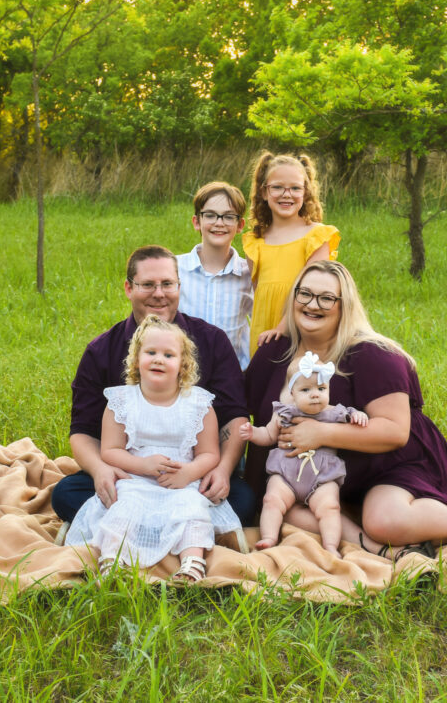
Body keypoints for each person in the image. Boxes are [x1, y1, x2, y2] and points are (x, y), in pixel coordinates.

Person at [244, 261, 447, 560]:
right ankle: (377, 549)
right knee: (277, 505)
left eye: (327, 298)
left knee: (386, 521)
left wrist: (321, 432)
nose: (313, 305)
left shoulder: (372, 355)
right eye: (305, 294)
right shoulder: (274, 351)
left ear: (345, 306)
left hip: (391, 462)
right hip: (323, 470)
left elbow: (395, 432)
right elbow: (241, 408)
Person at [52, 245, 255, 530]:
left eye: (167, 284)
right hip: (128, 477)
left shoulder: (212, 341)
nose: (159, 293)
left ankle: (144, 527)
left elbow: (235, 416)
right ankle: (170, 525)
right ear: (128, 288)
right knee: (64, 495)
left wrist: (221, 471)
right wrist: (100, 471)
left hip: (192, 475)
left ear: (179, 286)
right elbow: (83, 431)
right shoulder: (101, 351)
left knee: (244, 500)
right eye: (147, 285)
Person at [65, 316, 241, 582]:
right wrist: (144, 465)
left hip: (181, 484)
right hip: (135, 480)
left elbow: (209, 454)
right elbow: (110, 450)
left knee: (192, 508)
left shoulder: (199, 404)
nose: (159, 359)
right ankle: (114, 561)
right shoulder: (121, 401)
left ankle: (192, 564)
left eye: (169, 355)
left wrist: (189, 472)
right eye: (151, 352)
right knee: (123, 507)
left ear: (183, 364)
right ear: (136, 359)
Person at [239, 351, 369, 557]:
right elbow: (268, 435)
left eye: (321, 388)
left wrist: (358, 415)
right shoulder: (284, 413)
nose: (315, 394)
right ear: (292, 393)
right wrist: (253, 433)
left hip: (322, 477)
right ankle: (269, 538)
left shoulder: (335, 412)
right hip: (285, 474)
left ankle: (331, 545)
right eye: (306, 389)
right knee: (271, 500)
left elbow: (352, 416)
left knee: (330, 508)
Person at [242, 151, 340, 356]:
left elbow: (310, 292)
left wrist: (282, 329)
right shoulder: (255, 243)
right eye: (277, 187)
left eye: (295, 188)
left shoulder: (316, 237)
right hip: (265, 331)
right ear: (264, 192)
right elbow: (260, 294)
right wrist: (271, 332)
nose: (287, 194)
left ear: (306, 193)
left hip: (302, 330)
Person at [177, 181, 254, 370]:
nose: (219, 223)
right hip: (182, 372)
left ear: (240, 225)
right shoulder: (175, 268)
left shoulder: (249, 273)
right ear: (197, 222)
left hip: (234, 373)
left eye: (228, 217)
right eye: (210, 215)